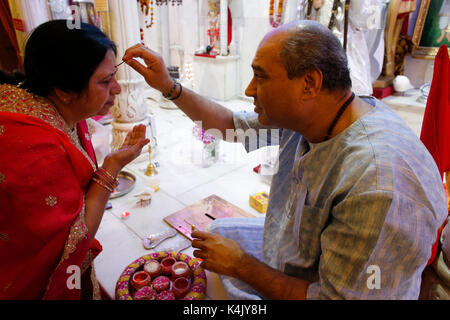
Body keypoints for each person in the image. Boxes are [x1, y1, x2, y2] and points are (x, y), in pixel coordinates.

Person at [122, 20, 448, 299]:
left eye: (260, 77)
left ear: (309, 84)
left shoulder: (378, 187)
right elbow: (230, 127)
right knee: (218, 231)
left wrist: (241, 266)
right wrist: (168, 86)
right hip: (298, 250)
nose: (249, 89)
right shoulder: (320, 113)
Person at [0, 20, 149, 299]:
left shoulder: (41, 104)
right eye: (105, 81)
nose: (117, 89)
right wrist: (112, 167)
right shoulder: (35, 151)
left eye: (113, 76)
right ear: (64, 90)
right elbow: (73, 242)